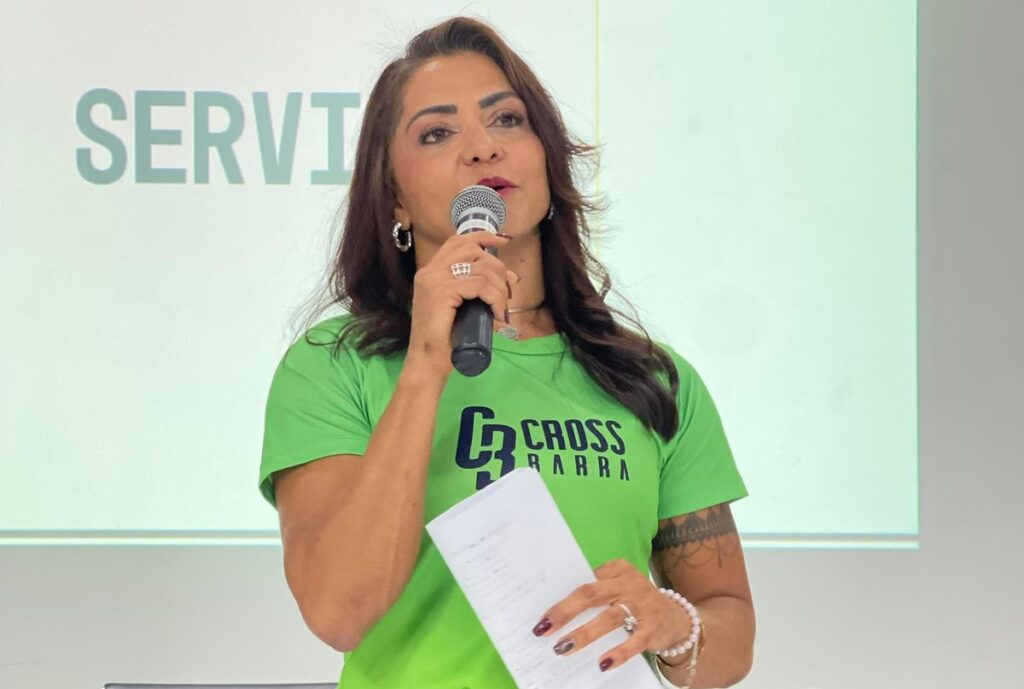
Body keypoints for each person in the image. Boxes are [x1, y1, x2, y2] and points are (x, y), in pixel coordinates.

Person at [259, 16, 755, 689]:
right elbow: (338, 612)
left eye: (507, 120)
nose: (481, 148)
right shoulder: (333, 365)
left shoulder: (655, 379)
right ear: (395, 197)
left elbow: (730, 636)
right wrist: (425, 364)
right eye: (437, 133)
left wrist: (672, 625)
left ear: (547, 159)